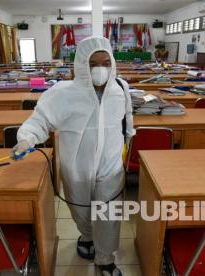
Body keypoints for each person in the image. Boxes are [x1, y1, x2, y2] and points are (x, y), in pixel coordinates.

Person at [12, 36, 135, 275]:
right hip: (76, 164)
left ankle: (105, 258)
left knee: (108, 212)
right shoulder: (63, 93)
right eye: (93, 63)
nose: (101, 69)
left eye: (106, 62)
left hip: (110, 164)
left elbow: (127, 117)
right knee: (81, 208)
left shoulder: (121, 88)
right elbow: (41, 120)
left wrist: (129, 139)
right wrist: (26, 138)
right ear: (81, 64)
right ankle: (87, 237)